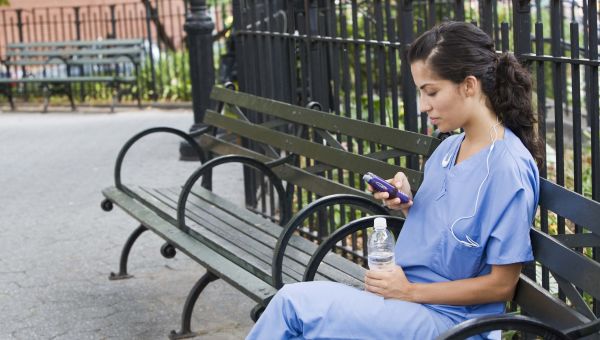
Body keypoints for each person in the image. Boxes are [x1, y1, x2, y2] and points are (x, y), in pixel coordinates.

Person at [246, 21, 545, 340]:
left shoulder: (506, 168)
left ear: (469, 86)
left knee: (292, 305)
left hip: (452, 324)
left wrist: (410, 291)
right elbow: (451, 232)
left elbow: (502, 284)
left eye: (431, 91)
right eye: (421, 92)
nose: (423, 105)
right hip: (408, 304)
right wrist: (407, 203)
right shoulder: (450, 148)